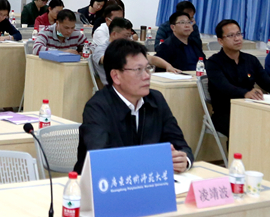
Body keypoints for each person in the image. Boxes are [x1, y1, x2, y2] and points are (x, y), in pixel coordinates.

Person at [74, 39, 193, 174]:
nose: (147, 76)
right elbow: (102, 158)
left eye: (148, 68)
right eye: (138, 70)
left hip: (149, 178)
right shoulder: (97, 107)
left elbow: (180, 144)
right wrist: (152, 161)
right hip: (100, 182)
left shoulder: (156, 99)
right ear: (116, 76)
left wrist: (183, 160)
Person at [206, 19, 270, 135]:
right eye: (231, 36)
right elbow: (224, 87)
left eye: (238, 34)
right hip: (226, 112)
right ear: (220, 41)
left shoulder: (251, 60)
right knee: (248, 129)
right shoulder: (213, 62)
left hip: (251, 109)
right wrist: (245, 93)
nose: (237, 38)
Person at [91, 17, 179, 84]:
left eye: (130, 35)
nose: (129, 38)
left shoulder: (128, 47)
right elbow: (108, 59)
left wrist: (168, 66)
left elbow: (150, 58)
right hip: (116, 87)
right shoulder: (101, 49)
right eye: (126, 35)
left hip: (134, 83)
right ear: (114, 34)